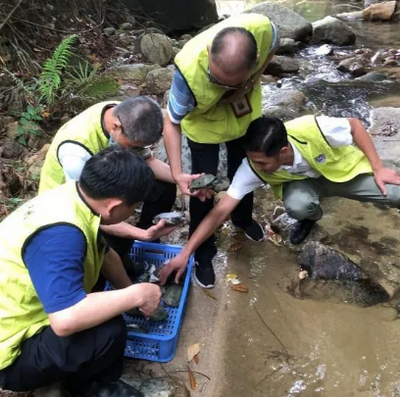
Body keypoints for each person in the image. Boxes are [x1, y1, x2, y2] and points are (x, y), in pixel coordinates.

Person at [160, 115, 400, 287]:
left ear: (283, 152)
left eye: (263, 162)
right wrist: (186, 252)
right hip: (307, 186)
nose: (257, 166)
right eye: (253, 160)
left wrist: (378, 167)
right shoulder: (251, 168)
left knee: (394, 193)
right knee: (298, 206)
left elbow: (355, 126)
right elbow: (220, 212)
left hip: (343, 173)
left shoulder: (314, 127)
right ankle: (309, 217)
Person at [0, 147, 160, 397]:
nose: (132, 214)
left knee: (106, 294)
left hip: (28, 307)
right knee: (109, 331)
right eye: (134, 207)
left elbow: (107, 257)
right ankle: (91, 387)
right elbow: (65, 320)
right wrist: (137, 295)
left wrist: (130, 294)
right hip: (10, 353)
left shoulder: (75, 196)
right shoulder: (62, 235)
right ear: (114, 206)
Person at [164, 13, 279, 288]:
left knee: (246, 171)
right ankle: (203, 252)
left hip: (243, 118)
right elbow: (171, 123)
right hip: (204, 127)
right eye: (216, 80)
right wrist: (178, 174)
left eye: (231, 82)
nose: (223, 87)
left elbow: (274, 43)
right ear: (207, 53)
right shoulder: (188, 72)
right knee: (203, 189)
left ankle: (242, 218)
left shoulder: (261, 29)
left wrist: (250, 83)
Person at [39, 96, 177, 263]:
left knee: (163, 186)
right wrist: (140, 234)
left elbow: (148, 161)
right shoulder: (75, 153)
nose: (136, 150)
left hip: (108, 181)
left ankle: (147, 234)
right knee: (114, 245)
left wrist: (182, 180)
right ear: (116, 127)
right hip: (69, 205)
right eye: (134, 146)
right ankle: (122, 256)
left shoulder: (125, 114)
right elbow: (90, 211)